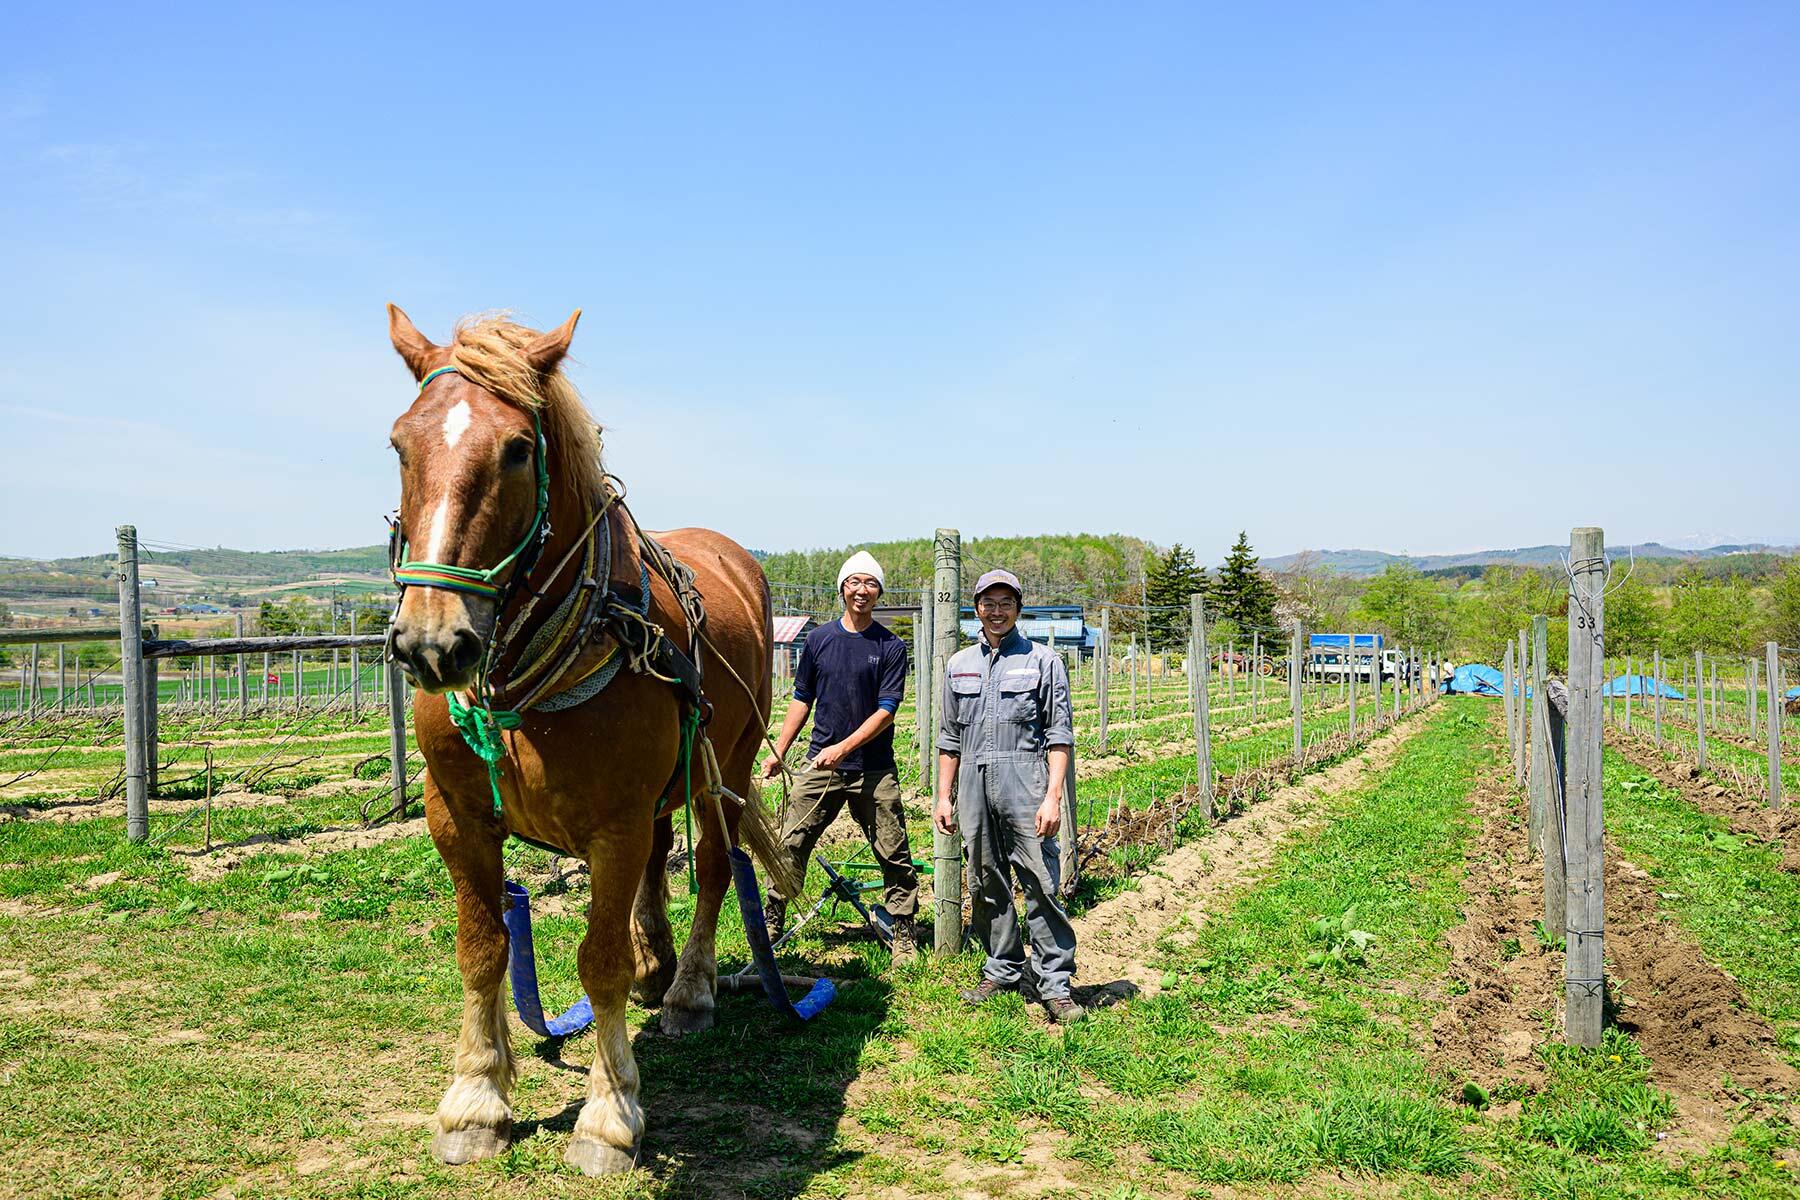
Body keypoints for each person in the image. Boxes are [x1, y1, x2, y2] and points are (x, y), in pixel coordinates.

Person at [933, 569, 1083, 1022]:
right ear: (976, 608)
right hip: (974, 787)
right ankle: (1002, 968)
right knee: (985, 880)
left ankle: (1054, 982)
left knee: (1041, 882)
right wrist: (944, 796)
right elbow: (948, 738)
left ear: (1018, 609)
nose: (996, 612)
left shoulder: (1043, 662)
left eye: (1005, 603)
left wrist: (1053, 796)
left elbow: (1059, 735)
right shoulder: (958, 663)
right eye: (987, 603)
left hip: (1027, 782)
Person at [761, 551, 921, 963]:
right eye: (854, 582)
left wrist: (843, 748)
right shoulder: (818, 640)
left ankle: (904, 929)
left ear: (879, 592)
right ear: (842, 589)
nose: (861, 590)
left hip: (873, 769)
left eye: (870, 583)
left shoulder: (890, 646)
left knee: (893, 849)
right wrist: (780, 749)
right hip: (820, 765)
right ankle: (773, 916)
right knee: (791, 842)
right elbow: (801, 699)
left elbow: (886, 711)